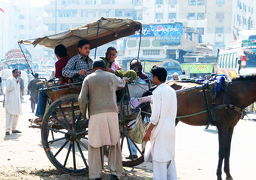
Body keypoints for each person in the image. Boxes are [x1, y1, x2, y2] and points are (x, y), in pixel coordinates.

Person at [78, 60, 127, 179]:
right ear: (104, 68)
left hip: (95, 114)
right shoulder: (112, 76)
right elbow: (122, 84)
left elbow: (82, 99)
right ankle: (115, 173)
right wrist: (125, 80)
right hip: (112, 113)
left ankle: (95, 175)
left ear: (94, 68)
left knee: (95, 144)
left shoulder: (88, 78)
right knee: (114, 143)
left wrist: (85, 114)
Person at [143, 66, 177, 180]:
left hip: (160, 129)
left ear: (156, 77)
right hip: (171, 128)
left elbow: (155, 117)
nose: (152, 78)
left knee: (159, 161)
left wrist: (148, 131)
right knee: (170, 160)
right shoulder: (171, 91)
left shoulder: (157, 91)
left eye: (152, 76)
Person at [35, 45, 70, 121]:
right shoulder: (71, 60)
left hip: (64, 87)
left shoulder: (59, 63)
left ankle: (41, 115)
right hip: (72, 86)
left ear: (56, 55)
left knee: (42, 92)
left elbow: (59, 78)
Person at [5, 69, 22, 135]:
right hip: (10, 100)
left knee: (16, 114)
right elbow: (8, 89)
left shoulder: (17, 80)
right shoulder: (10, 79)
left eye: (18, 72)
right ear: (13, 73)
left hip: (16, 100)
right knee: (9, 115)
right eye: (16, 72)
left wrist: (17, 82)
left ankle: (14, 129)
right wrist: (16, 83)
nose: (17, 74)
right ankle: (7, 130)